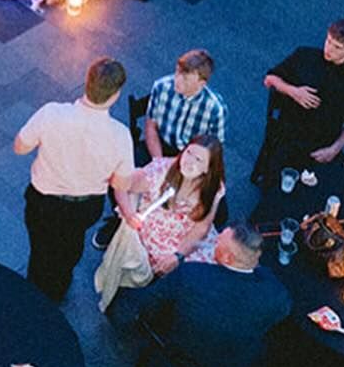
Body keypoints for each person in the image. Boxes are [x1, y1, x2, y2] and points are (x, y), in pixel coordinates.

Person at [14, 58, 137, 302]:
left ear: (86, 83)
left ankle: (35, 290)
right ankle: (58, 286)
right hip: (84, 207)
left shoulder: (51, 113)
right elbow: (122, 184)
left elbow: (20, 146)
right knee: (70, 247)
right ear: (115, 95)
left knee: (40, 247)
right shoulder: (120, 135)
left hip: (43, 202)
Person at [137, 224, 291, 367]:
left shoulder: (191, 274)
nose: (213, 245)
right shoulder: (276, 294)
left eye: (217, 243)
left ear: (227, 258)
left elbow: (147, 307)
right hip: (230, 366)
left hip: (181, 353)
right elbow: (280, 313)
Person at [254, 18, 344, 182]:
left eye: (337, 47)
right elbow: (270, 79)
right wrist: (293, 91)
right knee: (273, 180)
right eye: (328, 41)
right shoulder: (304, 56)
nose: (328, 49)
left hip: (320, 143)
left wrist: (334, 149)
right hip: (287, 132)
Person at [119, 137, 226, 275]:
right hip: (159, 233)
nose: (189, 161)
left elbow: (202, 227)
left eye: (198, 160)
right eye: (189, 153)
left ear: (208, 169)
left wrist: (179, 255)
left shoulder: (213, 186)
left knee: (211, 271)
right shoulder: (161, 170)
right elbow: (122, 183)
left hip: (190, 236)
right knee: (186, 276)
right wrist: (128, 214)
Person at [143, 49, 227, 160]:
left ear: (201, 84)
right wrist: (159, 162)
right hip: (159, 146)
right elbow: (151, 126)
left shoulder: (215, 109)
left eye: (185, 79)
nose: (177, 80)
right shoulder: (161, 87)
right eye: (177, 72)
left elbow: (214, 150)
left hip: (191, 157)